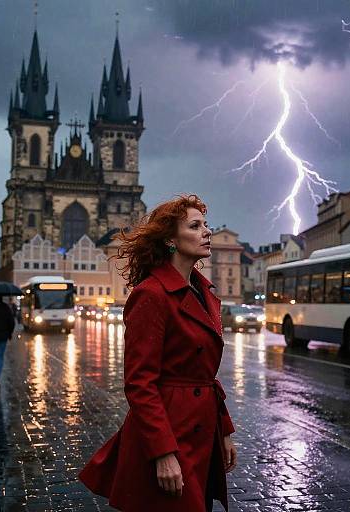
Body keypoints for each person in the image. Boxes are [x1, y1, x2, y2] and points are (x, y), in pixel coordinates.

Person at [79, 195, 237, 512]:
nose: (207, 231)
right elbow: (140, 384)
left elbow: (206, 377)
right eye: (195, 226)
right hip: (170, 430)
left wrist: (224, 431)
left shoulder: (204, 291)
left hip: (202, 430)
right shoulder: (151, 294)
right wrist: (163, 452)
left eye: (205, 224)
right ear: (170, 239)